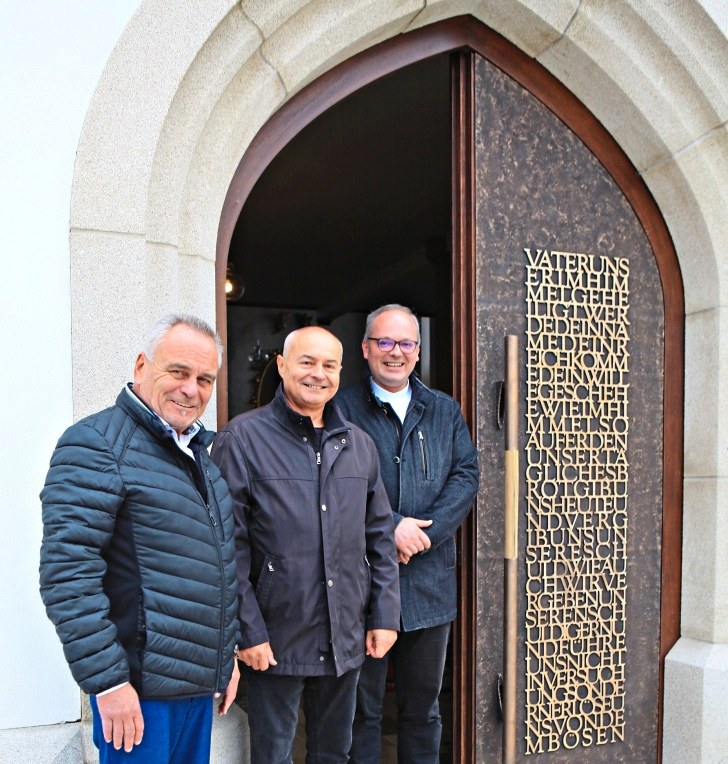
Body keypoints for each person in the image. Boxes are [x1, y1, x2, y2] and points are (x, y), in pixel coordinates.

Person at [39, 314, 240, 764]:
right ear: (141, 366)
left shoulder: (198, 455)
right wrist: (108, 684)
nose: (192, 389)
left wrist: (225, 660)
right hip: (138, 693)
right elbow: (67, 575)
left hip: (195, 688)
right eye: (179, 372)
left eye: (205, 379)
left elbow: (219, 564)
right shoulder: (96, 444)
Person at [211, 325, 400, 764]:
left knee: (335, 753)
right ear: (281, 366)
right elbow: (227, 548)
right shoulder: (241, 440)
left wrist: (385, 615)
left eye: (329, 365)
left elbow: (379, 539)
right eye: (307, 362)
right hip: (274, 640)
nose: (319, 374)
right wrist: (248, 631)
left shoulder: (360, 445)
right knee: (273, 755)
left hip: (345, 636)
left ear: (340, 371)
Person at [336, 304, 480, 764]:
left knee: (423, 710)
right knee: (362, 713)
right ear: (365, 348)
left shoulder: (442, 409)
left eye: (406, 343)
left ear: (417, 352)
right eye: (384, 342)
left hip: (429, 582)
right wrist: (390, 526)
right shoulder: (340, 408)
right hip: (363, 585)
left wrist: (424, 535)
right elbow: (334, 483)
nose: (395, 352)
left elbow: (466, 475)